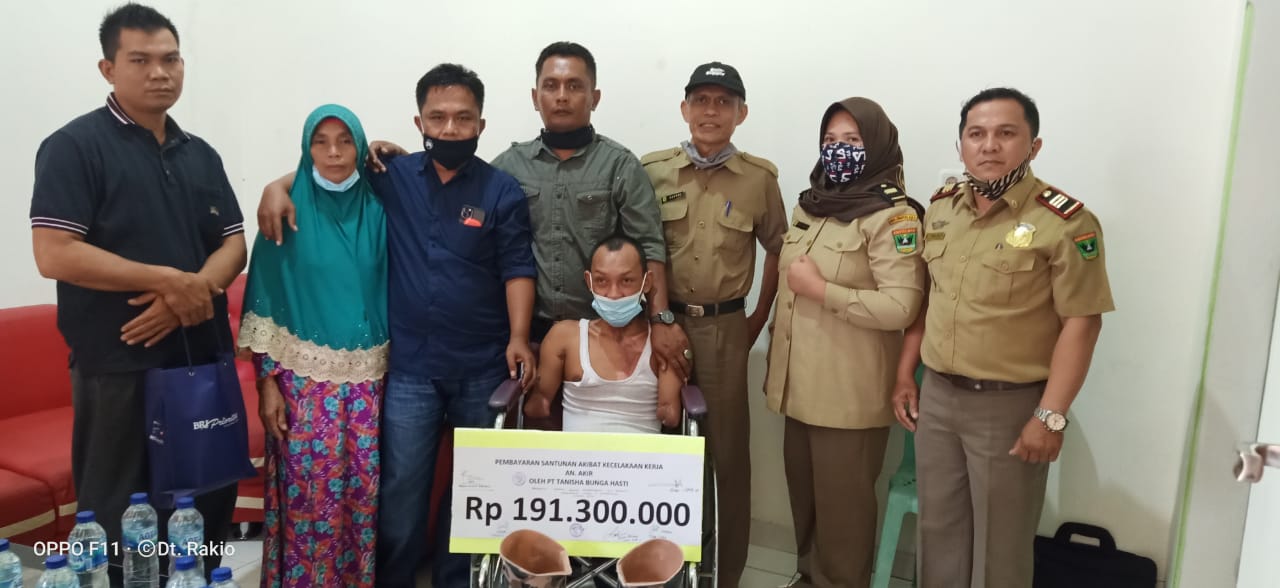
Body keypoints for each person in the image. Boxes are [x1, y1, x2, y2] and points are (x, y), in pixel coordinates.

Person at [255, 64, 537, 588]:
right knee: (401, 490)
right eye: (438, 117)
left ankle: (456, 581)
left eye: (463, 118)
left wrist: (519, 337)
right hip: (410, 369)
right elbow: (328, 172)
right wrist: (277, 185)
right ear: (419, 121)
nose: (450, 128)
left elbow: (517, 267)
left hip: (482, 363)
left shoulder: (502, 190)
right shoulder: (392, 176)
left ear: (481, 124)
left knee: (474, 488)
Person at [29, 3, 244, 582]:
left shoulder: (200, 154)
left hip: (199, 361)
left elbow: (233, 245)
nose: (160, 73)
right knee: (122, 510)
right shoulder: (75, 147)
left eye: (171, 59)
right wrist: (167, 281)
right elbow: (55, 253)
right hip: (119, 365)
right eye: (140, 60)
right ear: (108, 69)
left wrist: (190, 293)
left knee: (206, 501)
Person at [892, 87, 1113, 588]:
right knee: (938, 535)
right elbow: (929, 299)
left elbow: (1082, 324)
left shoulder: (1065, 223)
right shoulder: (942, 209)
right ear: (961, 146)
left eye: (1005, 133)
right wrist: (906, 374)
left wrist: (1050, 416)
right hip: (938, 398)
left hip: (1009, 407)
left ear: (1034, 145)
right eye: (976, 134)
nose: (989, 145)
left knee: (1000, 549)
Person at [764, 97, 926, 588]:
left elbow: (902, 306)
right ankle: (809, 577)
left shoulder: (892, 217)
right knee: (806, 503)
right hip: (798, 387)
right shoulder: (812, 204)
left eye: (852, 141)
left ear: (876, 146)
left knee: (844, 516)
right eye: (830, 140)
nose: (839, 150)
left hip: (847, 396)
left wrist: (822, 290)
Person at [638, 61, 787, 588]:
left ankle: (724, 574)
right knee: (662, 445)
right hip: (659, 325)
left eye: (723, 102)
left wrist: (758, 317)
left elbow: (779, 249)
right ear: (684, 109)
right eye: (700, 100)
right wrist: (654, 318)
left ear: (741, 114)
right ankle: (657, 568)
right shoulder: (653, 171)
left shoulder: (759, 179)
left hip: (725, 330)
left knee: (726, 456)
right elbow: (639, 248)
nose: (711, 111)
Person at [238, 104, 387, 587]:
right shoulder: (284, 213)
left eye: (344, 141)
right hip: (304, 387)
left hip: (370, 385)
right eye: (320, 142)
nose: (334, 153)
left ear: (360, 147)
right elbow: (265, 300)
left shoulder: (380, 209)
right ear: (306, 150)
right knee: (311, 498)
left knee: (362, 496)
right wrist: (267, 384)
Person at [489, 42, 692, 379]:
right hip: (529, 332)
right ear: (535, 97)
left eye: (574, 86)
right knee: (534, 413)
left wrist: (660, 319)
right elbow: (465, 190)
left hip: (604, 333)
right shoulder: (509, 167)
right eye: (551, 86)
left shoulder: (620, 166)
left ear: (594, 98)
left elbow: (650, 246)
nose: (562, 96)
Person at [526, 235, 681, 434]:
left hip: (640, 454)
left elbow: (670, 416)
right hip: (578, 454)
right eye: (601, 281)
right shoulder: (564, 337)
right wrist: (526, 385)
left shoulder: (664, 343)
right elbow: (537, 407)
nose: (613, 294)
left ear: (647, 282)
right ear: (589, 281)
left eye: (626, 280)